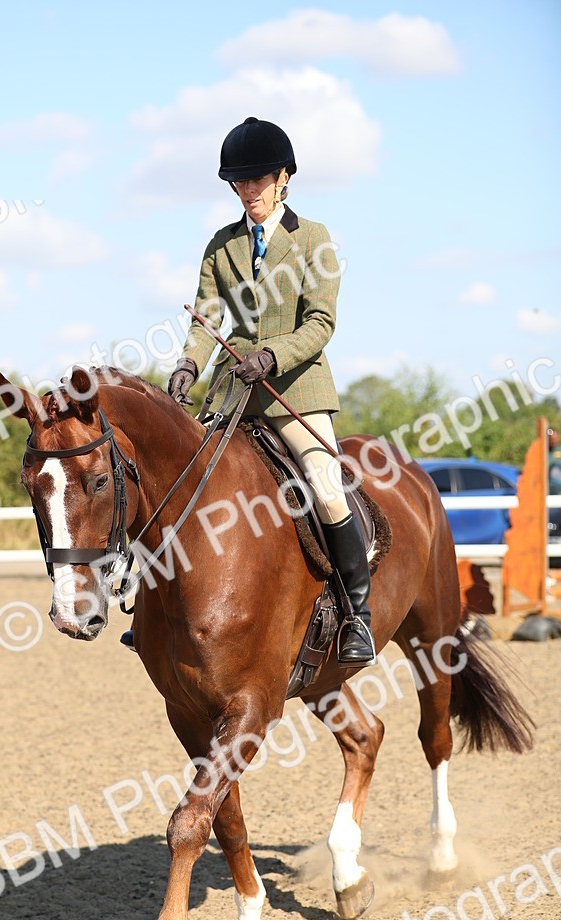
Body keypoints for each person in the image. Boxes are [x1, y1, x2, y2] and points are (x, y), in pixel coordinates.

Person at [166, 115, 375, 664]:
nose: (248, 191)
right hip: (232, 395)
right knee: (177, 483)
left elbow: (321, 322)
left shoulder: (314, 239)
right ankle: (160, 608)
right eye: (239, 182)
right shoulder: (221, 245)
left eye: (258, 180)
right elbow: (206, 320)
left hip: (296, 392)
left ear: (284, 178)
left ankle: (357, 613)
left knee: (326, 486)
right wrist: (188, 366)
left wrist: (272, 354)